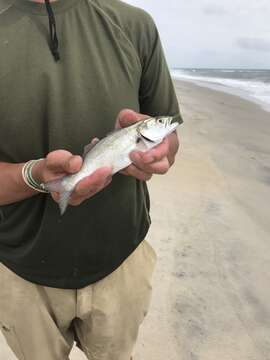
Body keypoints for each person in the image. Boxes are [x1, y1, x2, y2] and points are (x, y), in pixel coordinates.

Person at [0, 0, 183, 359]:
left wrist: (160, 153)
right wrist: (34, 177)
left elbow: (170, 135)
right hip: (21, 271)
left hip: (121, 261)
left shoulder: (134, 24)